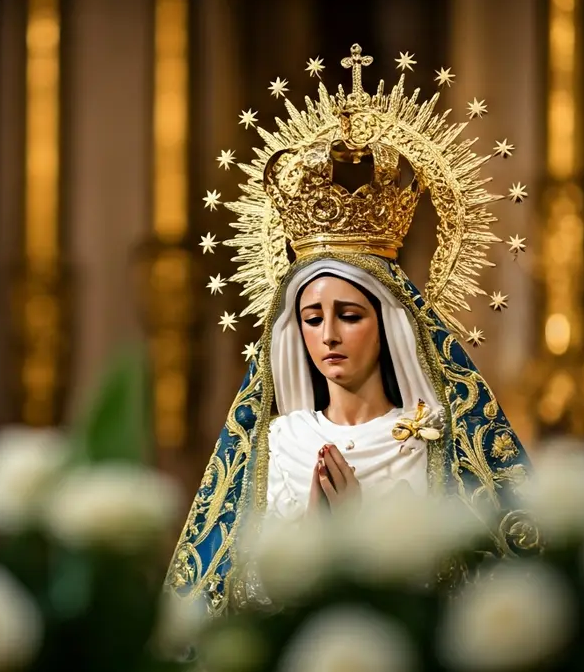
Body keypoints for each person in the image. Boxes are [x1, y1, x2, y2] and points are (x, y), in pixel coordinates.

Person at [164, 43, 535, 616]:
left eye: (350, 315)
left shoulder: (437, 442)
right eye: (312, 319)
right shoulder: (278, 445)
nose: (329, 336)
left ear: (389, 324)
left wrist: (360, 536)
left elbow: (476, 597)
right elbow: (233, 601)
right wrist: (314, 540)